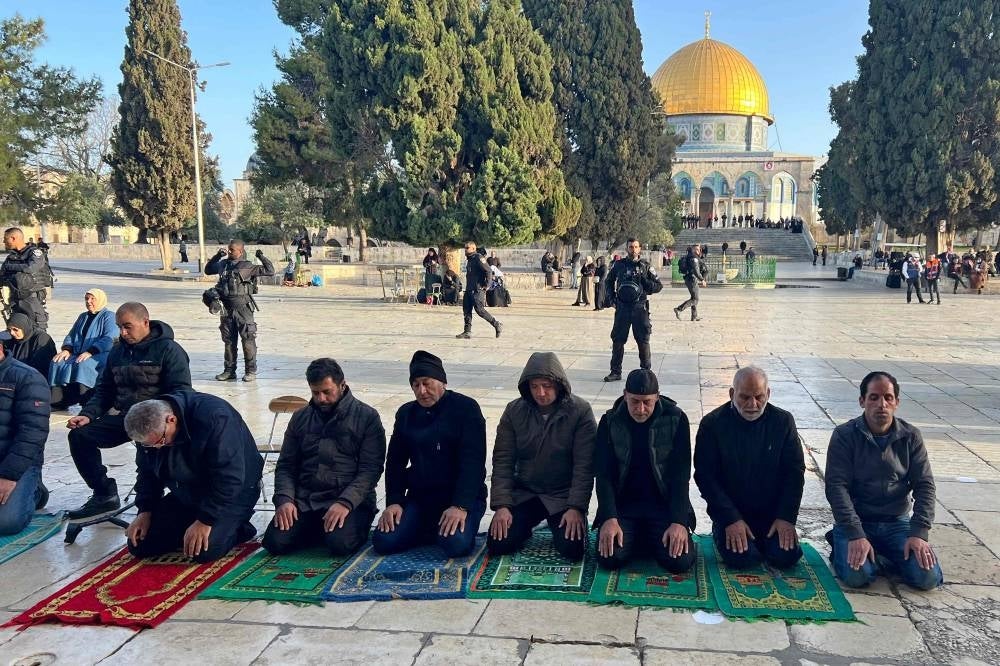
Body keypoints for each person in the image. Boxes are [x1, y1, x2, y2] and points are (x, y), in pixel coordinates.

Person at [66, 303, 191, 520]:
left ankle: (150, 508)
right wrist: (87, 414)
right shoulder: (117, 351)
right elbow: (104, 390)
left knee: (147, 456)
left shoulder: (170, 350)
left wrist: (163, 419)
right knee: (79, 436)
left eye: (127, 327)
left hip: (158, 420)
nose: (123, 333)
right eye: (119, 327)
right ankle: (104, 493)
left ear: (145, 322)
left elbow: (181, 392)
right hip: (126, 417)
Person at [825, 371, 943, 591]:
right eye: (874, 397)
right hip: (858, 521)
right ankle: (846, 545)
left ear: (896, 402)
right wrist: (855, 533)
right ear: (862, 401)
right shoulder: (844, 436)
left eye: (888, 397)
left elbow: (925, 485)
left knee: (927, 578)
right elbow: (836, 487)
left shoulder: (910, 437)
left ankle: (881, 556)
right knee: (858, 577)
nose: (881, 404)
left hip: (896, 523)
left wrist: (919, 533)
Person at [262, 358, 385, 556]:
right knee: (275, 543)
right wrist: (285, 499)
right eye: (315, 393)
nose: (321, 399)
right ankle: (315, 528)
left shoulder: (367, 417)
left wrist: (345, 503)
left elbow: (370, 471)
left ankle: (338, 528)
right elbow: (286, 465)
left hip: (348, 500)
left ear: (342, 385)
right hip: (306, 499)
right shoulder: (301, 417)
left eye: (327, 392)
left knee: (339, 544)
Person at [123, 393, 263, 563]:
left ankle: (237, 525)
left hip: (233, 494)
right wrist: (145, 510)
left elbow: (230, 478)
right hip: (186, 493)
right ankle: (194, 526)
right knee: (139, 544)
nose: (157, 447)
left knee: (203, 551)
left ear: (171, 420)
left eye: (161, 440)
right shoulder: (150, 432)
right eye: (149, 445)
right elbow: (147, 472)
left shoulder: (215, 417)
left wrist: (205, 520)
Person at [374, 351, 487, 557]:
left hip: (460, 498)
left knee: (455, 544)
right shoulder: (407, 413)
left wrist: (460, 506)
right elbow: (395, 462)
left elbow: (473, 463)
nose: (422, 391)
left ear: (442, 382)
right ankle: (424, 527)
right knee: (384, 541)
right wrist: (394, 502)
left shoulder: (466, 409)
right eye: (416, 385)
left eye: (426, 383)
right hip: (422, 498)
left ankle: (433, 529)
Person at [488, 352, 597, 560]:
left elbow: (585, 466)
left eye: (546, 386)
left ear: (558, 384)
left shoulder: (580, 411)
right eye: (534, 386)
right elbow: (503, 460)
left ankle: (565, 521)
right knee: (499, 543)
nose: (541, 393)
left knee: (572, 549)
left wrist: (576, 507)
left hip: (562, 496)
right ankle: (525, 526)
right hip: (526, 493)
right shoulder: (514, 411)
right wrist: (502, 505)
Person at [694, 367, 805, 570]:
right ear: (731, 394)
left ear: (768, 394)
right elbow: (705, 477)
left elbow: (794, 472)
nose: (752, 404)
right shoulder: (712, 424)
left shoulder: (783, 422)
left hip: (772, 516)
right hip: (733, 514)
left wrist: (786, 517)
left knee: (785, 558)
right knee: (744, 559)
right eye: (744, 397)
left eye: (759, 397)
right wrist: (730, 519)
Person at [594, 369, 696, 572]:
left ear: (657, 397)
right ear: (625, 395)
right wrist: (609, 517)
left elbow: (680, 476)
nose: (641, 409)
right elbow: (604, 475)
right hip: (625, 507)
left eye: (647, 402)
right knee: (610, 558)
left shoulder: (676, 420)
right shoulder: (610, 421)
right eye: (634, 401)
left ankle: (644, 538)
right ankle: (641, 538)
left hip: (662, 506)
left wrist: (678, 521)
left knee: (679, 562)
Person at [205, 241, 275, 383]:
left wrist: (261, 256)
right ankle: (229, 371)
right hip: (226, 309)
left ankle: (250, 371)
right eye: (229, 250)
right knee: (229, 341)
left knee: (248, 340)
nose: (230, 252)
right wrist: (217, 255)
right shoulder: (223, 265)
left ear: (241, 252)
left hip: (243, 309)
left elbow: (270, 270)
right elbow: (208, 269)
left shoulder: (248, 266)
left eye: (232, 250)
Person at [0, 342, 50, 535]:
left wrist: (8, 475)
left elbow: (33, 433)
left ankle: (34, 491)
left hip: (15, 464)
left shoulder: (28, 378)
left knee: (6, 522)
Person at [603, 239, 662, 382]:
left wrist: (644, 280)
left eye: (636, 247)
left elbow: (658, 286)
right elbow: (608, 281)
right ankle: (615, 371)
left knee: (643, 340)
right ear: (627, 248)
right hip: (622, 308)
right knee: (618, 340)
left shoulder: (645, 266)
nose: (633, 249)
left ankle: (646, 372)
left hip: (639, 308)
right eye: (631, 247)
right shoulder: (619, 265)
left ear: (640, 248)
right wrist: (612, 300)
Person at [49, 288, 118, 410]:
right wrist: (67, 349)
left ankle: (86, 401)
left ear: (101, 300)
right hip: (79, 353)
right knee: (57, 362)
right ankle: (59, 401)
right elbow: (72, 335)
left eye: (92, 299)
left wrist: (91, 351)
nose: (89, 301)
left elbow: (110, 337)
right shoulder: (83, 316)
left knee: (84, 364)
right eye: (87, 299)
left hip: (101, 353)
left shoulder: (109, 316)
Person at [1, 227, 53, 331]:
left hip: (32, 298)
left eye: (5, 239)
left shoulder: (34, 253)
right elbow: (2, 275)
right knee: (16, 330)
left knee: (37, 330)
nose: (3, 241)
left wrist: (10, 267)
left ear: (13, 238)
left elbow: (30, 267)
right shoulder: (11, 257)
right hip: (14, 300)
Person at [455, 241, 502, 339]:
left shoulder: (478, 258)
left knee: (479, 310)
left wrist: (487, 285)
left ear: (473, 248)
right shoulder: (469, 259)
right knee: (466, 310)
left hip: (477, 290)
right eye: (465, 247)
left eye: (467, 248)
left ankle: (496, 324)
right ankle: (467, 331)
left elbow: (488, 270)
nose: (465, 249)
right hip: (469, 289)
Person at [2, 313, 55, 379]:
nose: (12, 332)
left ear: (24, 327)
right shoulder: (12, 339)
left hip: (36, 379)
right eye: (9, 329)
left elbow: (40, 366)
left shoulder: (41, 338)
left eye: (15, 329)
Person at [674, 245, 708, 322]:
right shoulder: (694, 258)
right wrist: (702, 280)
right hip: (692, 279)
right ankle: (679, 309)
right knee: (695, 299)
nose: (698, 251)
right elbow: (696, 271)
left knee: (694, 297)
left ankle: (694, 316)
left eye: (698, 250)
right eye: (696, 249)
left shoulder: (688, 256)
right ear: (693, 249)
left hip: (688, 278)